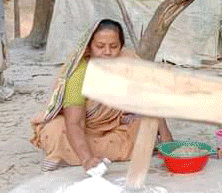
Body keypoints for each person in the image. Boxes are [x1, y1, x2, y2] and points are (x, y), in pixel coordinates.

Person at [31, 19, 173, 173]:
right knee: (55, 131)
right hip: (78, 130)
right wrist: (86, 159)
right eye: (100, 46)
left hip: (114, 127)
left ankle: (74, 156)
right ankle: (82, 155)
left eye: (114, 46)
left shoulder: (127, 61)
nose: (107, 52)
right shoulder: (79, 73)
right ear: (89, 48)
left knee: (147, 125)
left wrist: (167, 139)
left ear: (121, 46)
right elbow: (75, 123)